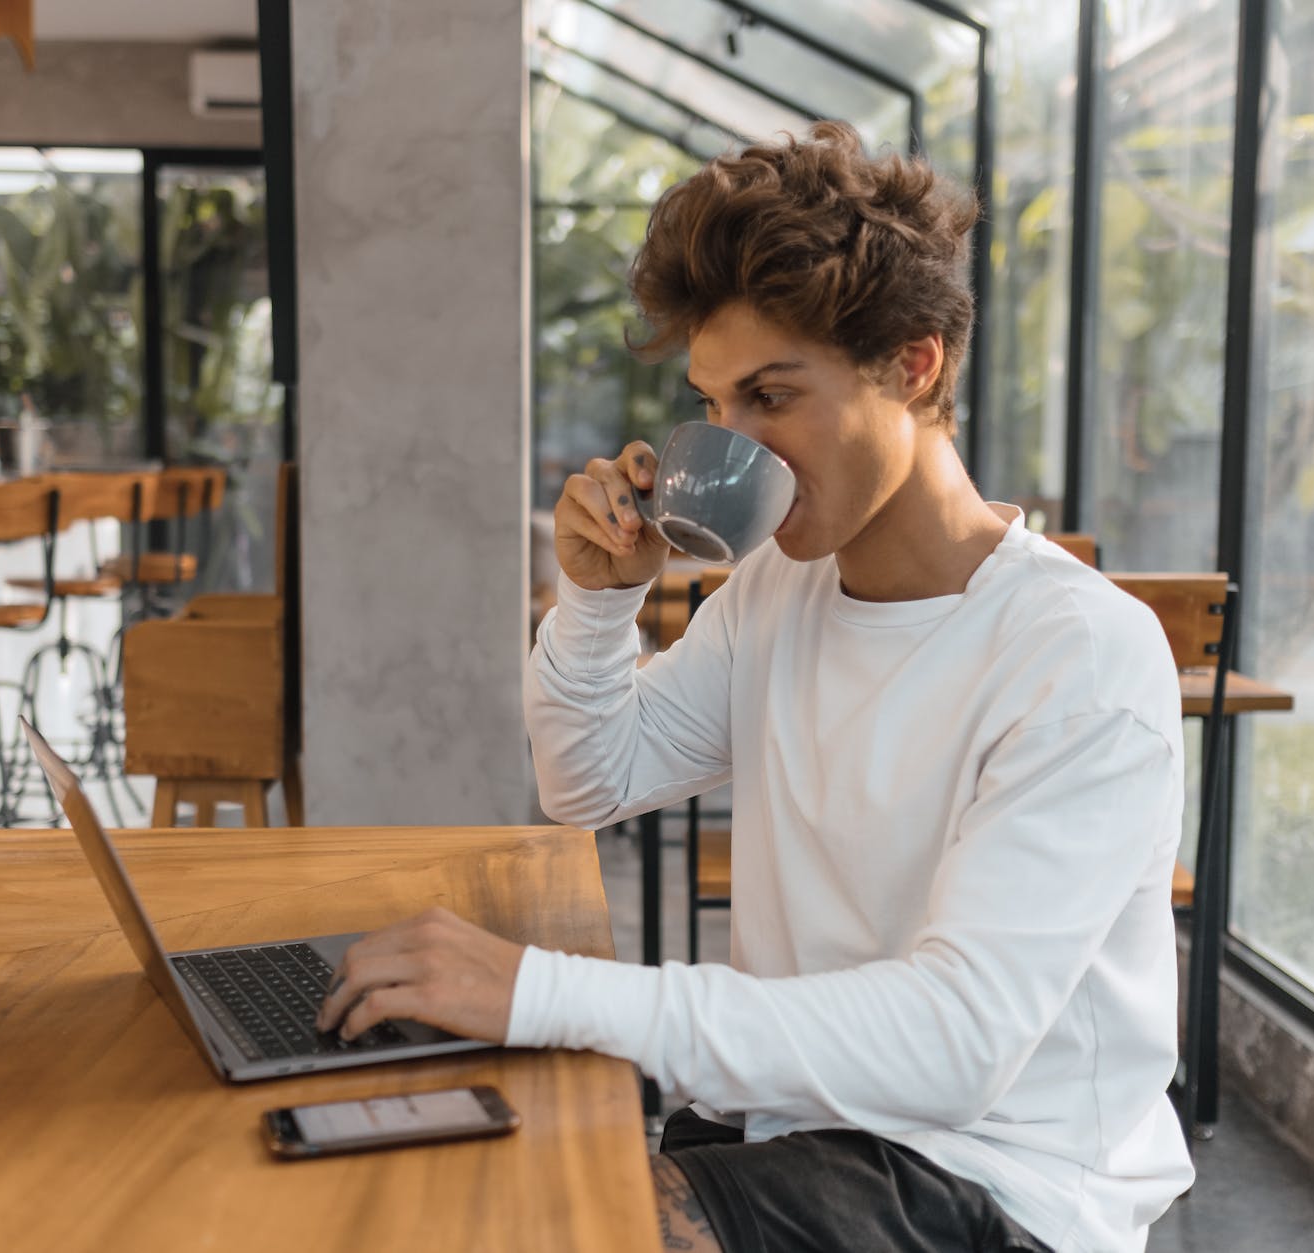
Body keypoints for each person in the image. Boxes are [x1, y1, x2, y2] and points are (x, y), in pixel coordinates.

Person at [317, 121, 1194, 1252]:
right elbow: (590, 777)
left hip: (990, 1177)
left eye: (770, 397)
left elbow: (952, 1044)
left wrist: (542, 991)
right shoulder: (781, 587)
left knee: (549, 1220)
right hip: (781, 1122)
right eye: (712, 403)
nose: (733, 442)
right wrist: (593, 600)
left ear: (911, 363)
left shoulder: (1079, 654)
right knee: (436, 1173)